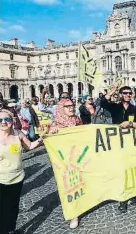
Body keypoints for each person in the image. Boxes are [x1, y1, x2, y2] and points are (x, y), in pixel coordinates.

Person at [100, 84, 136, 213]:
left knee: (132, 168)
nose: (127, 95)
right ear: (120, 95)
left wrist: (130, 124)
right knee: (120, 171)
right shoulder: (115, 107)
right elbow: (102, 102)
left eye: (130, 93)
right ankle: (123, 199)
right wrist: (112, 90)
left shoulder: (135, 109)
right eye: (125, 93)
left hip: (131, 143)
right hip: (117, 143)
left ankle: (133, 195)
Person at [0, 109, 43, 234]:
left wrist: (41, 139)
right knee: (1, 209)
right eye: (0, 120)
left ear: (12, 121)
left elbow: (29, 146)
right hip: (1, 179)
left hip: (17, 178)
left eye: (7, 119)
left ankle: (10, 229)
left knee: (13, 208)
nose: (3, 122)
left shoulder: (18, 134)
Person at [49, 98, 83, 228]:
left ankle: (83, 204)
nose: (71, 108)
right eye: (67, 106)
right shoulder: (56, 124)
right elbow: (49, 140)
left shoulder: (77, 120)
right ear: (61, 108)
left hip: (79, 157)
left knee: (81, 182)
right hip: (65, 161)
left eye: (72, 105)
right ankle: (74, 215)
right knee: (70, 185)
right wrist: (52, 133)